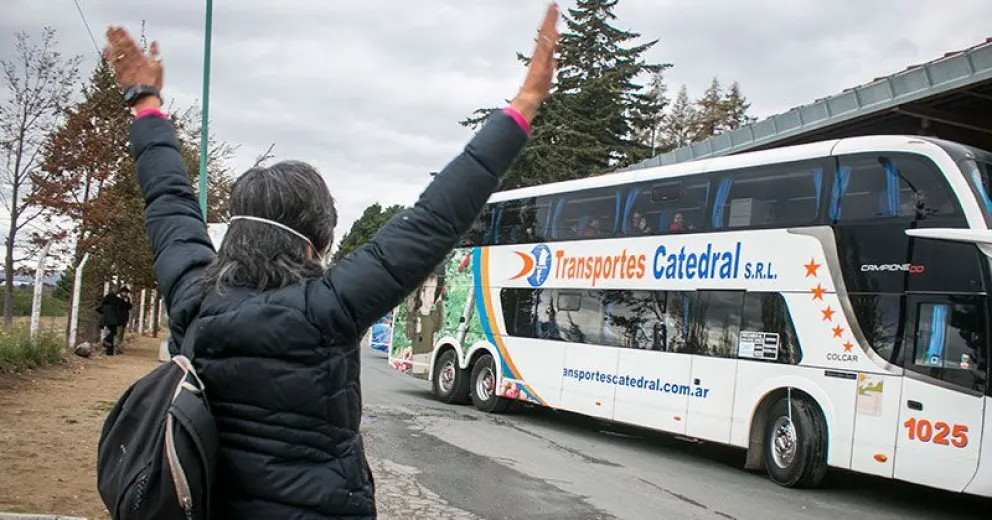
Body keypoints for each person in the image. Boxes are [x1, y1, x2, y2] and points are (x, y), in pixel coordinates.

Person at [102, 4, 558, 518]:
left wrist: (144, 102)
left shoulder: (192, 295)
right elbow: (434, 220)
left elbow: (167, 197)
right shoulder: (326, 309)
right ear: (312, 241)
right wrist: (525, 104)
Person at [96, 286, 131, 355]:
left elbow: (128, 307)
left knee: (114, 333)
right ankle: (108, 344)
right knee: (114, 333)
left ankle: (110, 351)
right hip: (115, 319)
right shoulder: (117, 299)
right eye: (124, 292)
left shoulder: (124, 299)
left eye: (126, 293)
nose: (125, 294)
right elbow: (118, 310)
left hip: (116, 319)